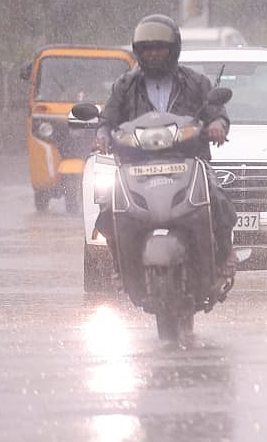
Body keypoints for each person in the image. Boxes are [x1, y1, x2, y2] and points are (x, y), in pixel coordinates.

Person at [94, 14, 237, 279]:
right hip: (136, 166)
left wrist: (217, 124)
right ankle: (119, 264)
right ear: (139, 52)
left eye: (160, 48)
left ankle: (225, 252)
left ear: (173, 49)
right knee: (107, 207)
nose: (154, 54)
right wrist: (102, 134)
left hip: (189, 161)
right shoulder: (124, 86)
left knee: (218, 197)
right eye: (147, 49)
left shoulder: (196, 81)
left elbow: (217, 112)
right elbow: (107, 119)